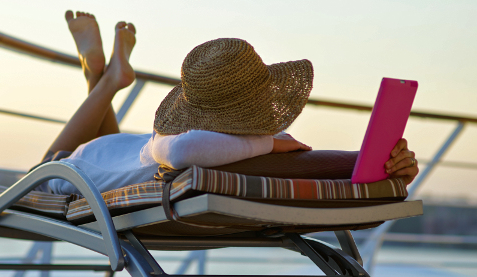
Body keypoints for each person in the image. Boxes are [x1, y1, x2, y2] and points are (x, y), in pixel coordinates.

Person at [34, 11, 419, 195]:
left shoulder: (206, 144)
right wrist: (273, 142)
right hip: (84, 167)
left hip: (108, 159)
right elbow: (185, 149)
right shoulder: (177, 144)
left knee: (70, 158)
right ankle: (101, 80)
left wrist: (393, 165)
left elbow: (190, 147)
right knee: (51, 166)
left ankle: (103, 79)